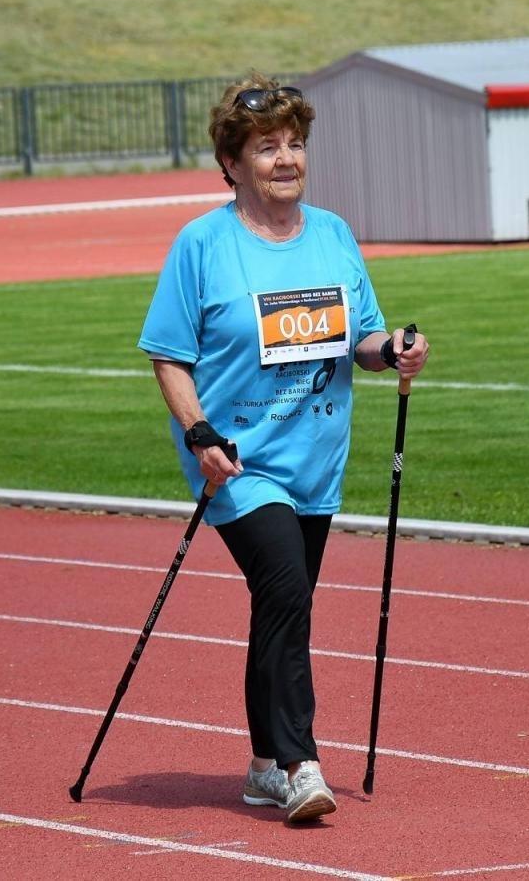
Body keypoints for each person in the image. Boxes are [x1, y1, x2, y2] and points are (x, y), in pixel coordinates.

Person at [138, 73, 430, 824]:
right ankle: (301, 764)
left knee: (281, 604)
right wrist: (197, 432)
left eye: (294, 143)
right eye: (266, 147)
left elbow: (361, 338)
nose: (285, 158)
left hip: (314, 459)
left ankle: (264, 762)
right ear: (231, 164)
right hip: (234, 460)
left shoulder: (332, 234)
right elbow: (168, 353)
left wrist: (392, 348)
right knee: (286, 592)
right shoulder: (202, 243)